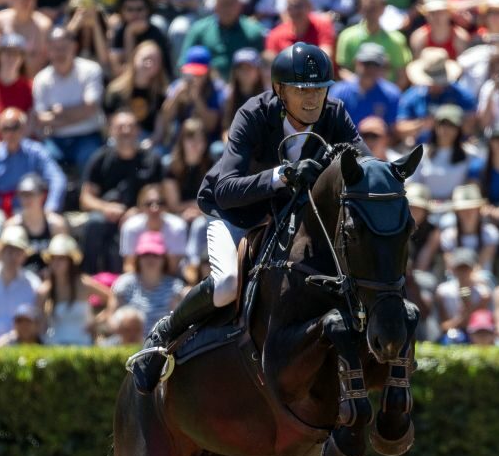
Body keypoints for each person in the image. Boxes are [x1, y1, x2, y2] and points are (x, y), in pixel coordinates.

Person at [128, 42, 364, 393]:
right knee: (226, 288)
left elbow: (364, 161)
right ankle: (165, 333)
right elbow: (225, 189)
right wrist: (281, 176)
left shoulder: (335, 113)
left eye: (319, 89)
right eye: (303, 90)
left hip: (295, 223)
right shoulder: (253, 114)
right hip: (240, 216)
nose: (313, 99)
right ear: (280, 89)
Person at [79, 109, 163, 272]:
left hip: (142, 215)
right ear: (111, 130)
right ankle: (90, 276)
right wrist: (106, 208)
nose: (126, 131)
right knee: (94, 223)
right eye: (120, 127)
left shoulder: (151, 160)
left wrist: (139, 210)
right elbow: (86, 198)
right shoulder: (100, 159)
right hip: (108, 214)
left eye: (130, 126)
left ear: (138, 130)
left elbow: (160, 196)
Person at [33, 26, 105, 175]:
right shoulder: (41, 79)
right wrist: (79, 113)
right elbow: (41, 119)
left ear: (74, 47)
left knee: (92, 162)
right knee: (45, 161)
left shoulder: (91, 70)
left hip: (88, 136)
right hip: (56, 139)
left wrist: (59, 113)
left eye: (64, 47)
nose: (60, 53)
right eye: (55, 48)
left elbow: (91, 108)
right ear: (48, 50)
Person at [0, 108, 66, 214]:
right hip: (1, 216)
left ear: (24, 128)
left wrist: (50, 207)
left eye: (15, 127)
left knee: (58, 225)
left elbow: (57, 178)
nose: (11, 133)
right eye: (6, 128)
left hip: (34, 213)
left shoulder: (36, 151)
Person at [178, 0, 265, 79]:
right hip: (206, 88)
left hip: (243, 89)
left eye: (231, 4)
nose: (226, 9)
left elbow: (263, 68)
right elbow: (184, 64)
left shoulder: (254, 32)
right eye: (222, 4)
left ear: (240, 6)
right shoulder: (199, 30)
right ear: (214, 6)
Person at [37, 232, 110, 345]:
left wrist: (97, 322)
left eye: (61, 259)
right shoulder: (44, 290)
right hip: (55, 347)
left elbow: (112, 298)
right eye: (53, 258)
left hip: (85, 346)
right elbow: (40, 326)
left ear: (70, 262)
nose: (56, 263)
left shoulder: (84, 284)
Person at [335, 0, 410, 87]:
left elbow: (402, 76)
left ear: (383, 9)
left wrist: (387, 95)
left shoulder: (396, 40)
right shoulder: (347, 37)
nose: (370, 11)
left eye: (374, 8)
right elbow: (342, 70)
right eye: (367, 7)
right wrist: (361, 87)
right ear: (360, 8)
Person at [118, 182, 188, 272]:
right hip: (139, 277)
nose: (155, 208)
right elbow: (129, 265)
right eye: (149, 204)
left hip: (170, 277)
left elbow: (174, 266)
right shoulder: (130, 227)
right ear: (141, 206)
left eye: (160, 203)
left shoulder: (177, 227)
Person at [328, 43, 400, 129]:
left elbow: (394, 129)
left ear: (382, 67)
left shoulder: (391, 94)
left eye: (375, 65)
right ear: (357, 62)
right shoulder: (339, 92)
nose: (370, 69)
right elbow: (329, 125)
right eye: (367, 63)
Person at [4, 172, 67, 267]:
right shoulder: (12, 226)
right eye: (23, 194)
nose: (26, 199)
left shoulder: (56, 226)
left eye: (30, 194)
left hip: (50, 278)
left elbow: (64, 260)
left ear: (42, 196)